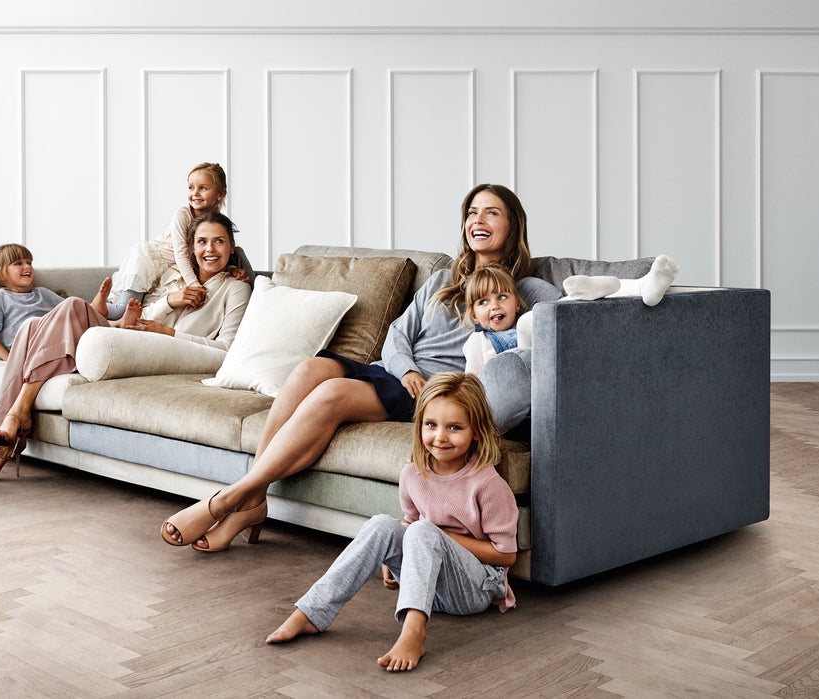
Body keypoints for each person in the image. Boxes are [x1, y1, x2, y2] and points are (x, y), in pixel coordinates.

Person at [159, 183, 560, 552]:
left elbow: (567, 324)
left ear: (513, 225)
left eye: (491, 213)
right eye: (472, 212)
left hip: (434, 393)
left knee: (331, 395)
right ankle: (254, 501)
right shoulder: (441, 279)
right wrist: (403, 369)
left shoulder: (526, 289)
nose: (478, 220)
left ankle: (229, 498)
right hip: (397, 372)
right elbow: (397, 334)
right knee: (309, 370)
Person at [0, 211, 252, 483]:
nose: (210, 249)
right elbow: (143, 318)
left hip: (171, 350)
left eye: (219, 241)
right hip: (135, 335)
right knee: (29, 327)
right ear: (190, 248)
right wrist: (168, 301)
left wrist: (170, 332)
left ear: (231, 247)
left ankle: (12, 419)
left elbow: (225, 348)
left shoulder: (235, 287)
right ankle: (10, 426)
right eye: (202, 241)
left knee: (73, 306)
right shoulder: (173, 277)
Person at [265, 372, 518, 673]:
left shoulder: (487, 483)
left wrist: (435, 535)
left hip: (476, 589)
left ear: (476, 431)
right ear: (420, 424)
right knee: (381, 524)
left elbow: (505, 555)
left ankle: (414, 631)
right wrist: (391, 559)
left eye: (454, 427)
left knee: (423, 530)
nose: (440, 437)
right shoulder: (413, 473)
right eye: (431, 425)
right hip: (430, 585)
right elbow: (408, 523)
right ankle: (311, 613)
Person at [461, 256, 680, 374]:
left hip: (542, 384)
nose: (495, 306)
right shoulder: (478, 341)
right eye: (483, 302)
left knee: (555, 311)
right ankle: (581, 296)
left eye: (502, 297)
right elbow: (473, 388)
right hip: (502, 399)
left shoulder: (530, 321)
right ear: (474, 315)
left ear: (517, 303)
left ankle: (641, 286)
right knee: (533, 320)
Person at [92, 162, 247, 324]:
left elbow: (217, 254)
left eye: (203, 188)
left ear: (221, 194)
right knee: (121, 310)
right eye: (191, 188)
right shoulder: (183, 214)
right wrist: (194, 284)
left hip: (168, 268)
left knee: (135, 310)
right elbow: (181, 254)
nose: (195, 193)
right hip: (150, 260)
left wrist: (233, 269)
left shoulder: (216, 223)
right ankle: (92, 307)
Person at [0, 244, 67, 360]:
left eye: (29, 263)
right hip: (27, 349)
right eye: (18, 263)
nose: (27, 266)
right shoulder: (1, 296)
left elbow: (73, 310)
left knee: (74, 304)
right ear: (1, 273)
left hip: (53, 343)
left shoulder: (43, 293)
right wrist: (9, 359)